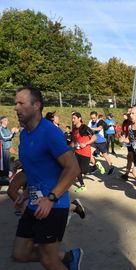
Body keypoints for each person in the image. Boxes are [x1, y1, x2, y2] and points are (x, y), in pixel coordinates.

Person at [13, 86, 83, 270]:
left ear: (36, 105)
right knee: (20, 253)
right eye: (15, 103)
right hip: (34, 203)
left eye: (21, 103)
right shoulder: (25, 135)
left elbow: (72, 168)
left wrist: (51, 198)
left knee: (48, 261)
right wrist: (26, 192)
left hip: (53, 205)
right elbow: (36, 169)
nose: (16, 108)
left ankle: (65, 259)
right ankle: (68, 258)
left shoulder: (49, 132)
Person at [71, 112, 96, 192]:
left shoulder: (85, 127)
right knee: (76, 170)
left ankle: (95, 166)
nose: (72, 120)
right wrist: (72, 146)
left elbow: (94, 137)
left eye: (74, 118)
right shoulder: (74, 128)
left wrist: (85, 143)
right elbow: (74, 140)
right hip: (77, 152)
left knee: (83, 171)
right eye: (72, 118)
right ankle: (82, 186)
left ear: (79, 118)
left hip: (85, 153)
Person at [0, 116, 19, 181]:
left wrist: (14, 133)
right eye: (7, 120)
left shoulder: (7, 129)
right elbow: (4, 138)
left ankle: (6, 177)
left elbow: (10, 137)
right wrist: (12, 133)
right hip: (3, 149)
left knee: (7, 164)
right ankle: (4, 178)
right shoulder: (1, 129)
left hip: (8, 148)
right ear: (3, 121)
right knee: (4, 164)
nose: (8, 121)